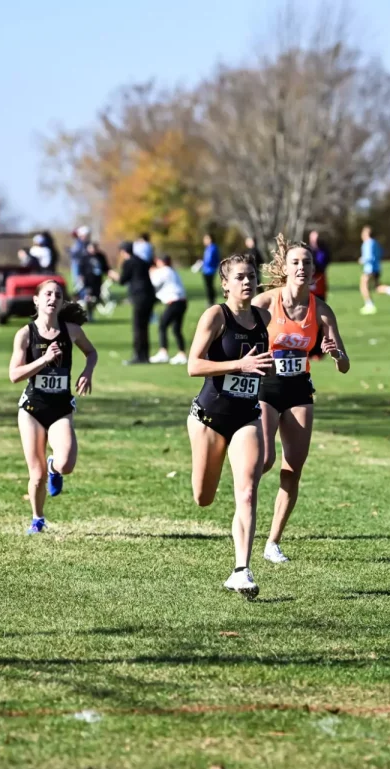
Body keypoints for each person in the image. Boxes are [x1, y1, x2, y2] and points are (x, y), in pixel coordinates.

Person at [252, 237, 349, 564]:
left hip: (298, 390)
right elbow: (238, 335)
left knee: (292, 468)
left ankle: (272, 542)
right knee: (263, 460)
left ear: (313, 271)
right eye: (295, 262)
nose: (301, 268)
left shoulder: (321, 311)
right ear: (285, 268)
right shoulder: (265, 303)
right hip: (266, 386)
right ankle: (244, 510)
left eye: (307, 263)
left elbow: (345, 363)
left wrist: (336, 354)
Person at [187, 253, 273, 599]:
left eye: (251, 276)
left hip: (246, 417)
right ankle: (240, 568)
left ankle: (241, 570)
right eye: (239, 277)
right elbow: (193, 365)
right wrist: (240, 365)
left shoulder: (264, 317)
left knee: (248, 491)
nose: (247, 282)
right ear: (225, 283)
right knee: (203, 498)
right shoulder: (215, 316)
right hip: (208, 418)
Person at [9, 280, 98, 533]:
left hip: (60, 408)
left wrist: (87, 372)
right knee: (36, 476)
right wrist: (45, 359)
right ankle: (37, 519)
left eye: (58, 295)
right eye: (47, 294)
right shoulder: (26, 334)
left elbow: (91, 353)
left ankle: (53, 467)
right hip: (32, 409)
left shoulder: (72, 331)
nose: (53, 298)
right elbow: (14, 375)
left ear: (61, 303)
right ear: (37, 300)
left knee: (67, 464)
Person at [109, 241, 156, 365]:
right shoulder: (141, 260)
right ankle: (145, 356)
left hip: (140, 296)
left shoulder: (128, 262)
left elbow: (123, 280)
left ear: (123, 252)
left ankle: (138, 356)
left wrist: (113, 275)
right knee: (144, 327)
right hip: (149, 295)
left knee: (138, 327)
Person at [149, 254, 189, 365]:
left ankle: (163, 352)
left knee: (162, 325)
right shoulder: (172, 271)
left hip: (174, 302)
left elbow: (152, 283)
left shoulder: (163, 271)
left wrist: (151, 272)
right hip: (182, 302)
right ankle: (182, 354)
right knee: (176, 329)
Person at [359, 226, 390, 314]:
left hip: (369, 268)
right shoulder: (375, 243)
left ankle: (369, 305)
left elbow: (369, 256)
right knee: (376, 287)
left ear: (366, 234)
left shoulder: (368, 243)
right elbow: (381, 252)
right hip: (377, 267)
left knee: (363, 285)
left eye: (363, 232)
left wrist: (363, 259)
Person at [198, 233, 220, 306]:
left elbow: (209, 260)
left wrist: (202, 264)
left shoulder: (213, 248)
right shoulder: (208, 248)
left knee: (209, 286)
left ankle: (211, 301)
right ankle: (211, 301)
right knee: (209, 286)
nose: (205, 240)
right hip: (206, 270)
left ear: (210, 239)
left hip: (210, 270)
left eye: (206, 239)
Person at [308, 230, 331, 300]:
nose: (315, 240)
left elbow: (325, 262)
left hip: (319, 277)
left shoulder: (323, 250)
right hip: (310, 278)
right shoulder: (307, 250)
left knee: (320, 299)